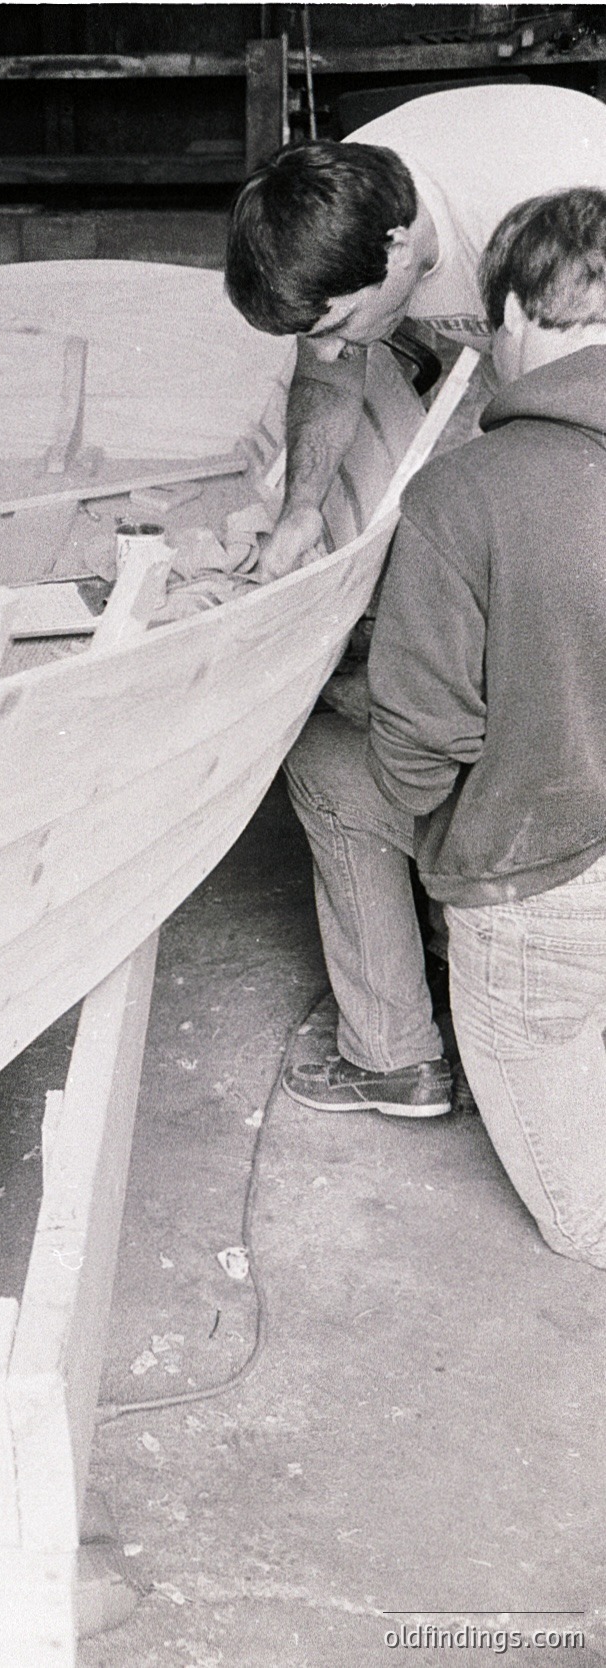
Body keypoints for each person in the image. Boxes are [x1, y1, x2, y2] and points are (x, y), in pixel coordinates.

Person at [284, 187, 606, 1267]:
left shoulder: (460, 496)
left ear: (509, 318)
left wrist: (339, 691)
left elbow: (420, 763)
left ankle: (393, 1056)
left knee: (583, 1218)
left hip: (544, 888)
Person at [225, 84, 606, 581]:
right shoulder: (335, 207)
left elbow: (572, 402)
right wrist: (301, 507)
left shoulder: (539, 224)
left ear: (398, 248)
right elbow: (325, 374)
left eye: (339, 325)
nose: (328, 350)